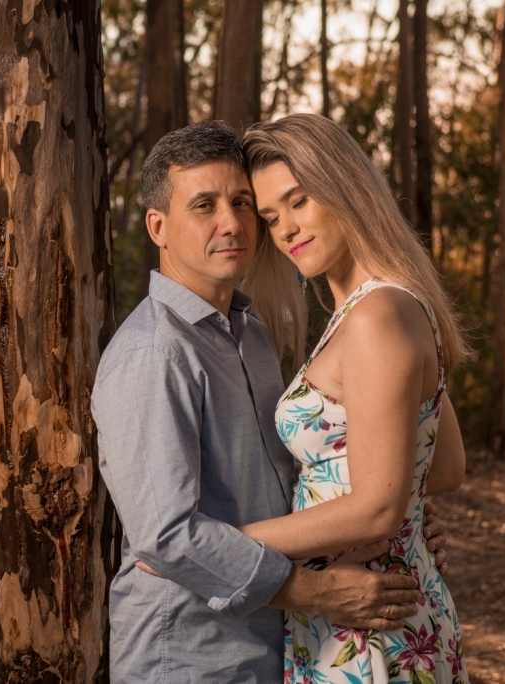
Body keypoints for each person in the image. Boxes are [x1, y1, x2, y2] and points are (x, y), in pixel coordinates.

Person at [91, 120, 448, 683]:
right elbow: (168, 538)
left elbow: (320, 475)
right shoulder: (152, 352)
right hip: (192, 655)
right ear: (158, 227)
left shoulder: (251, 335)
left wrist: (395, 527)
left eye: (242, 204)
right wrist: (316, 590)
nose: (232, 223)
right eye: (204, 205)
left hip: (280, 642)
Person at [242, 113, 468, 683]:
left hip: (373, 636)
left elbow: (375, 507)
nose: (286, 228)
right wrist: (408, 514)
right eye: (271, 217)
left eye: (299, 201)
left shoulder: (376, 316)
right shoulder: (376, 306)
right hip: (356, 614)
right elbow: (442, 468)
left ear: (343, 186)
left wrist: (221, 547)